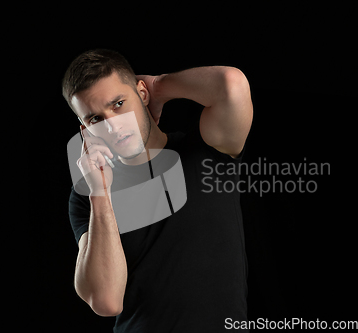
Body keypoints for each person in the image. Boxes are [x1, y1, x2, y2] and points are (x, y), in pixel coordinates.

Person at [63, 49, 253, 332]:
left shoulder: (207, 152)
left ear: (141, 94)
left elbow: (230, 82)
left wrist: (158, 86)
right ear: (86, 131)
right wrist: (100, 193)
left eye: (118, 103)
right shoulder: (87, 195)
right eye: (95, 119)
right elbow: (106, 301)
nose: (113, 125)